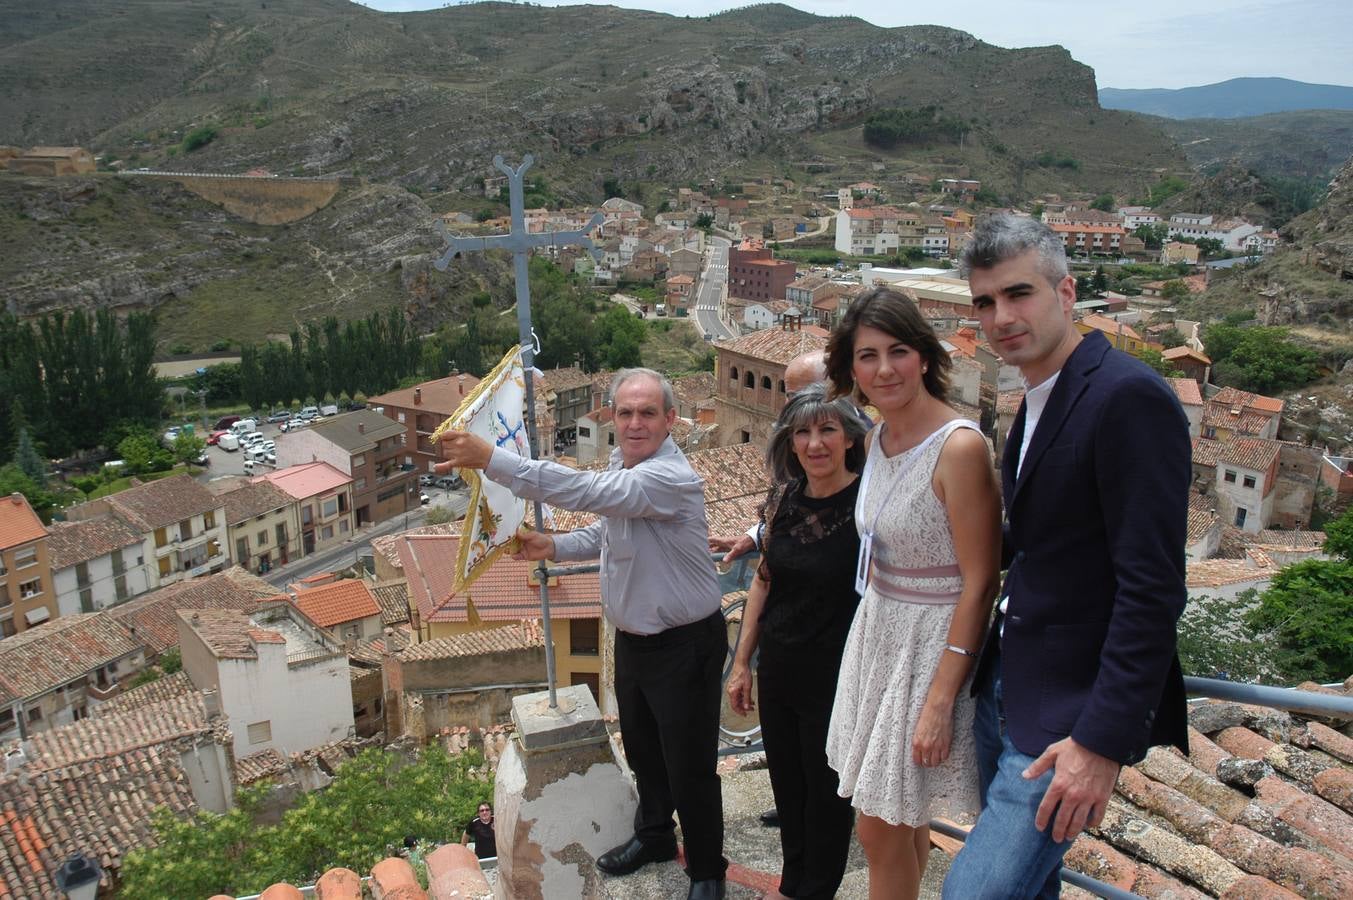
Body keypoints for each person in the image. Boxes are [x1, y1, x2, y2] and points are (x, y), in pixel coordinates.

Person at [942, 215, 1190, 899]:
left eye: (1018, 294)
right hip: (1008, 691)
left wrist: (1100, 744)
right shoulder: (1038, 397)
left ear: (1066, 291)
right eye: (984, 302)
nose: (1000, 317)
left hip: (1067, 723)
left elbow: (1152, 590)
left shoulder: (1127, 397)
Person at [436, 367, 727, 900]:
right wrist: (557, 548)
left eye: (647, 413)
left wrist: (492, 460)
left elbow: (588, 493)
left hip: (685, 644)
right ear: (613, 417)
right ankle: (657, 836)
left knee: (690, 766)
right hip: (636, 640)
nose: (635, 423)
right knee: (642, 750)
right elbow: (611, 528)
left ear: (670, 420)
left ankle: (708, 870)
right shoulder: (628, 464)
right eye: (625, 412)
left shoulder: (667, 476)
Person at [823, 286, 1002, 900]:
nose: (883, 369)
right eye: (867, 356)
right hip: (877, 634)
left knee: (875, 831)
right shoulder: (876, 440)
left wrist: (940, 699)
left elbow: (981, 580)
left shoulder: (958, 447)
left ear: (924, 357)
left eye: (897, 351)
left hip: (929, 649)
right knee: (900, 819)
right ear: (851, 369)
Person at [726, 385, 868, 900]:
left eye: (827, 429)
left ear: (850, 438)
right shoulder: (783, 499)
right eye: (803, 432)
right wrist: (742, 664)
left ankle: (815, 891)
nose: (815, 443)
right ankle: (792, 885)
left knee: (827, 799)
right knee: (787, 787)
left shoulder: (869, 504)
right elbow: (764, 579)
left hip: (839, 677)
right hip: (781, 669)